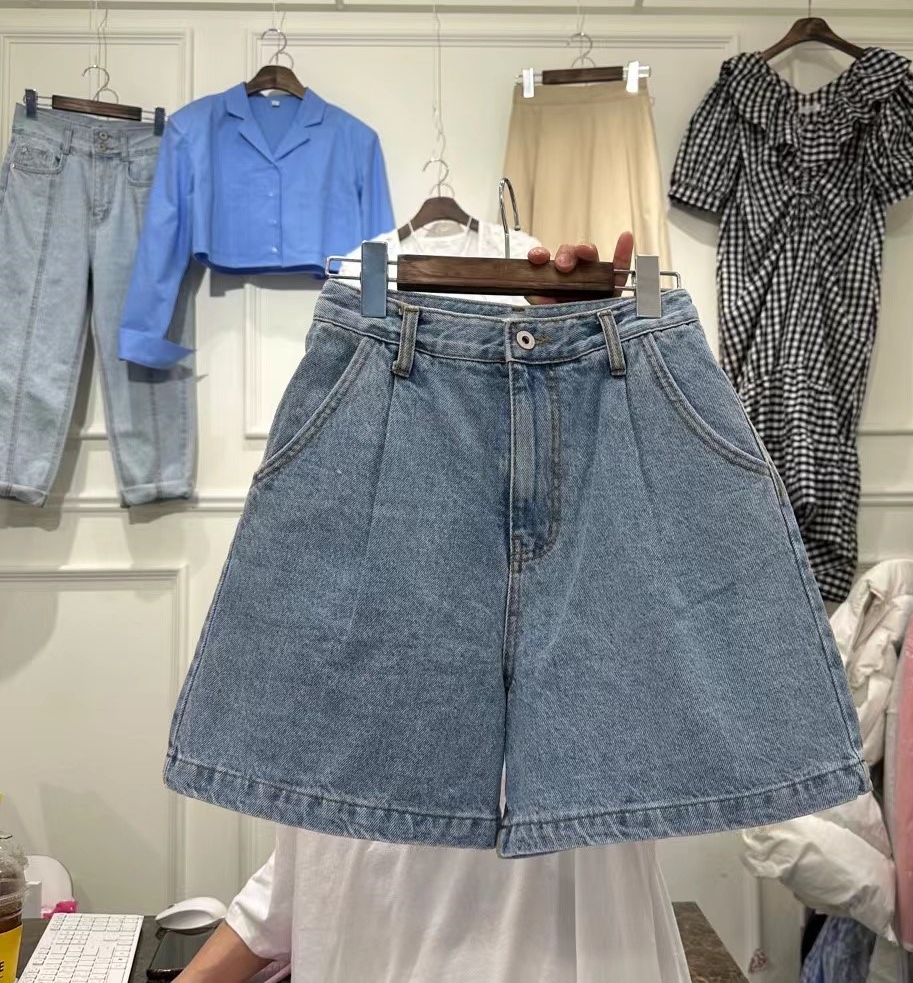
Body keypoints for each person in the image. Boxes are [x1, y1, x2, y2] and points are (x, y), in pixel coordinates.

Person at [176, 233, 692, 983]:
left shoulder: (564, 631)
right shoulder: (343, 638)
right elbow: (300, 877)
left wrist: (591, 389)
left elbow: (638, 669)